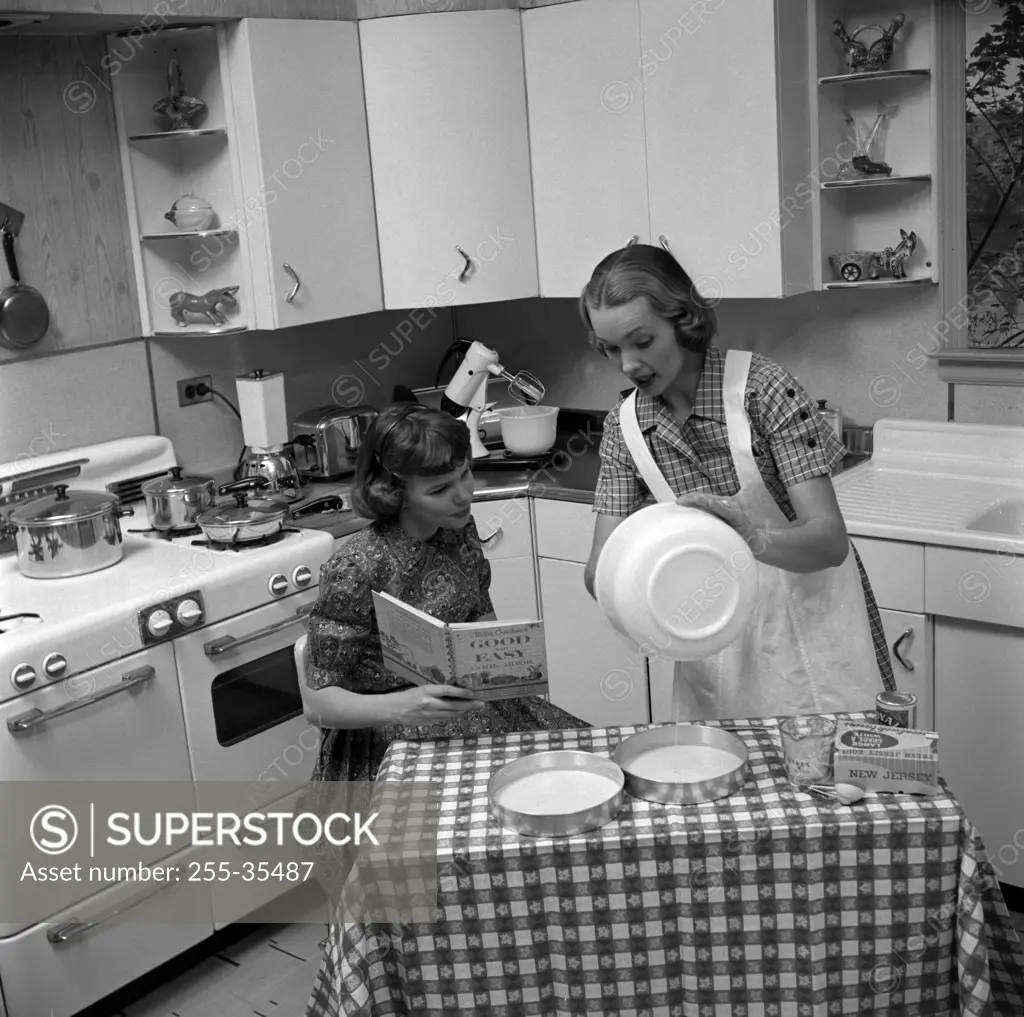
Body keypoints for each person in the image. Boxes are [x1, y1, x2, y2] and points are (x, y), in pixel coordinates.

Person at [579, 243, 895, 722]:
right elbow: (597, 572)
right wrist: (643, 558)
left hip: (809, 629)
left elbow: (829, 540)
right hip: (712, 642)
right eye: (611, 349)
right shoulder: (625, 431)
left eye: (641, 342)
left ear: (683, 320)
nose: (628, 365)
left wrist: (753, 538)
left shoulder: (762, 391)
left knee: (832, 784)